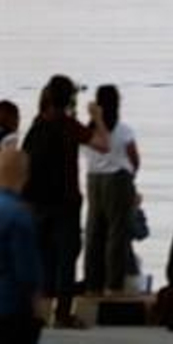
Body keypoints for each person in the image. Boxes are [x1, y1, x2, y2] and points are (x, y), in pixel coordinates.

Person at [22, 74, 109, 328]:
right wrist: (98, 117)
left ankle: (37, 312)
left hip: (37, 204)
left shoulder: (38, 123)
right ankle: (62, 315)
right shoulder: (69, 125)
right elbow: (103, 144)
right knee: (66, 259)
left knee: (43, 258)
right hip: (66, 202)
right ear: (69, 98)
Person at [83, 84, 139, 295]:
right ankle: (113, 284)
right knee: (117, 233)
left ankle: (92, 283)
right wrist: (132, 176)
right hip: (118, 178)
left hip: (93, 179)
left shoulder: (88, 130)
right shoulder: (123, 130)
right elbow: (134, 158)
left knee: (94, 232)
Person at [0, 147, 43, 344]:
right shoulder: (19, 215)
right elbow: (27, 272)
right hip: (10, 307)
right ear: (25, 175)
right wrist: (36, 309)